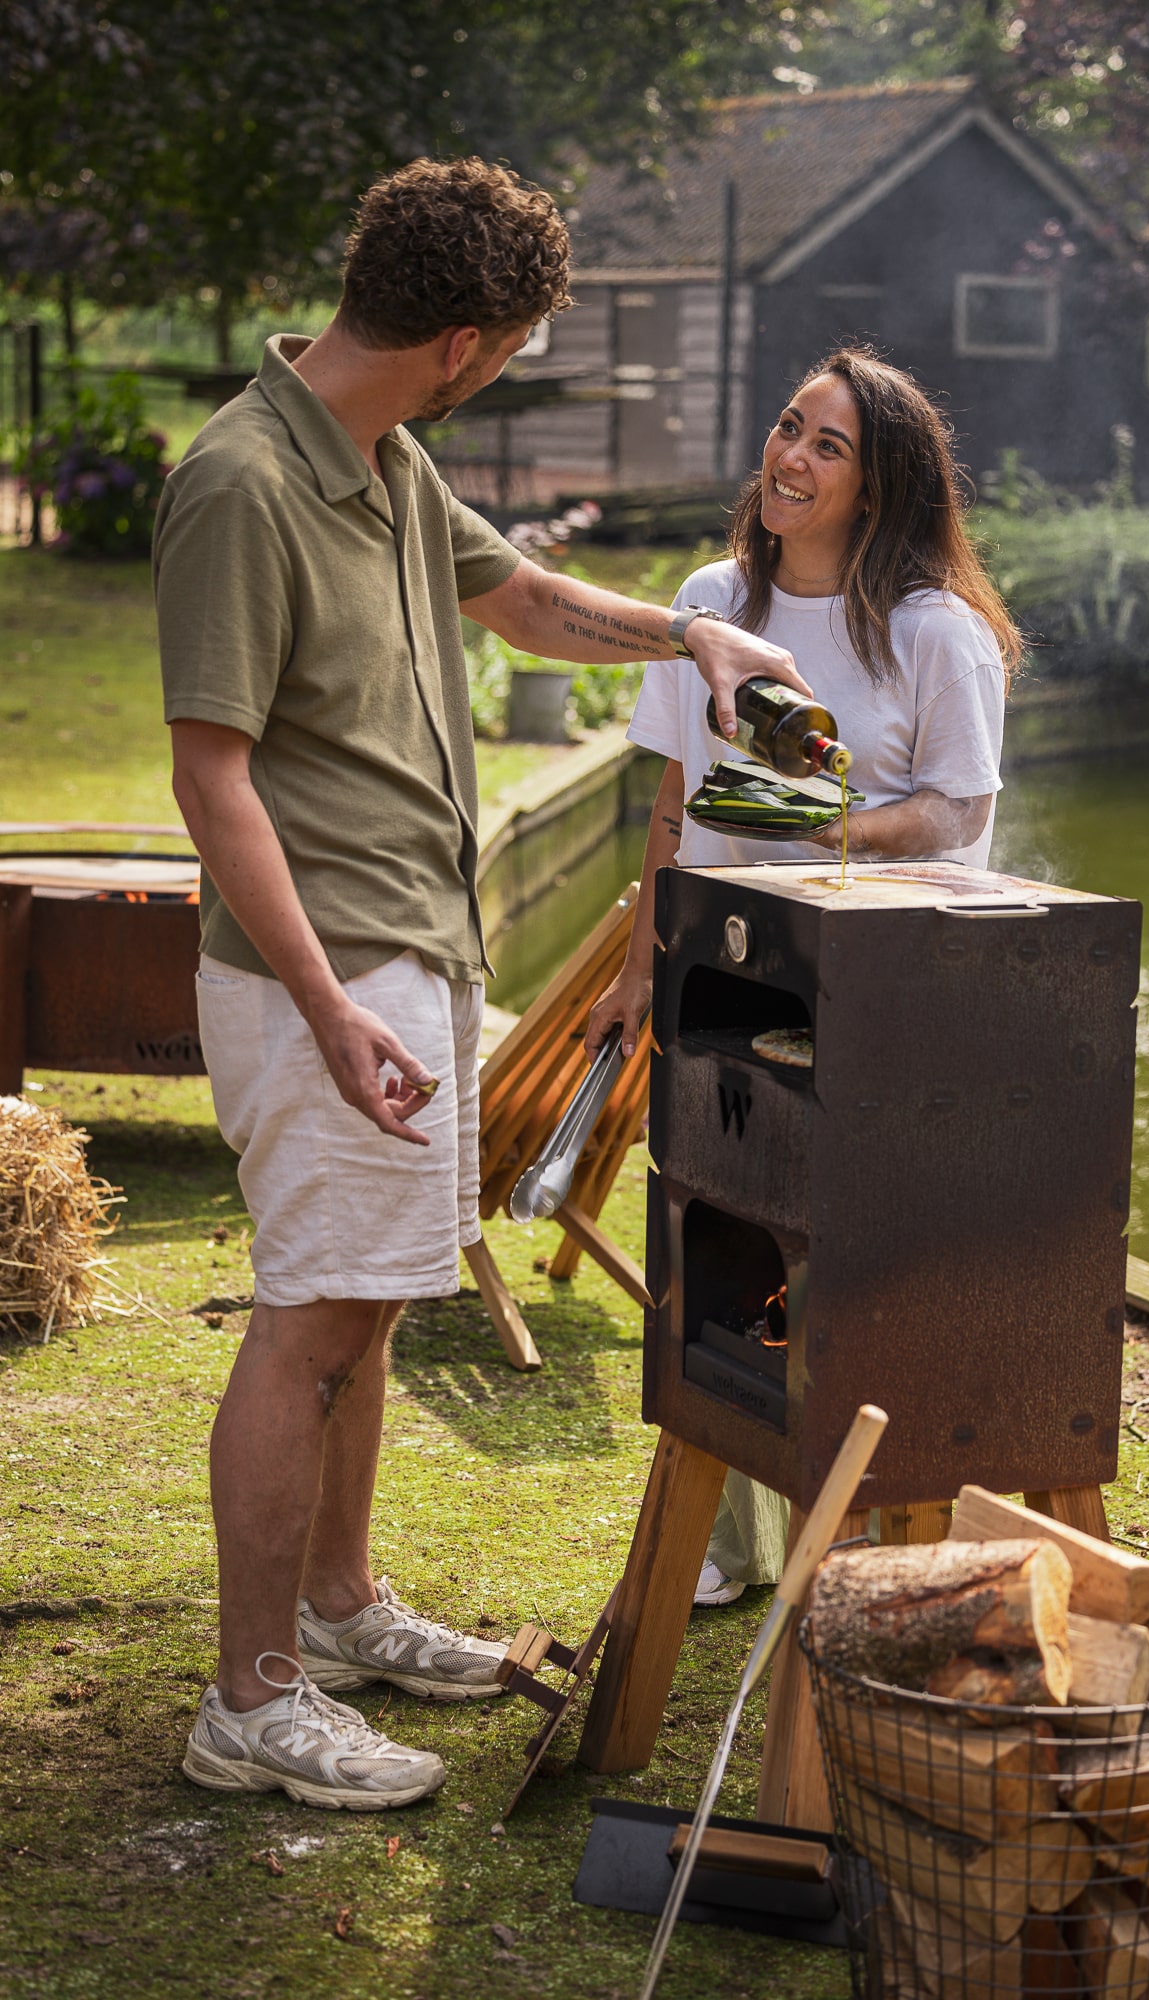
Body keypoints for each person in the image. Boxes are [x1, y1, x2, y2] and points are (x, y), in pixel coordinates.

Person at [154, 156, 809, 1812]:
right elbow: (212, 781)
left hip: (414, 952)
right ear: (461, 341)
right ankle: (248, 1701)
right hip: (332, 974)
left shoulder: (386, 457)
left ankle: (343, 1607)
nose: (506, 365)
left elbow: (517, 601)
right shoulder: (239, 482)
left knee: (364, 1319)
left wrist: (693, 640)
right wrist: (323, 1003)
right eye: (510, 343)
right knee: (308, 1326)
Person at [586, 345, 1023, 1606]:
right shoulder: (713, 597)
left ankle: (857, 1551)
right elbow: (672, 800)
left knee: (842, 1267)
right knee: (712, 1237)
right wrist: (635, 965)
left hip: (871, 988)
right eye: (789, 427)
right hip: (723, 972)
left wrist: (830, 831)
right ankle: (721, 1551)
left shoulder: (938, 633)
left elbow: (959, 812)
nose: (792, 456)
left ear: (878, 486)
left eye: (828, 445)